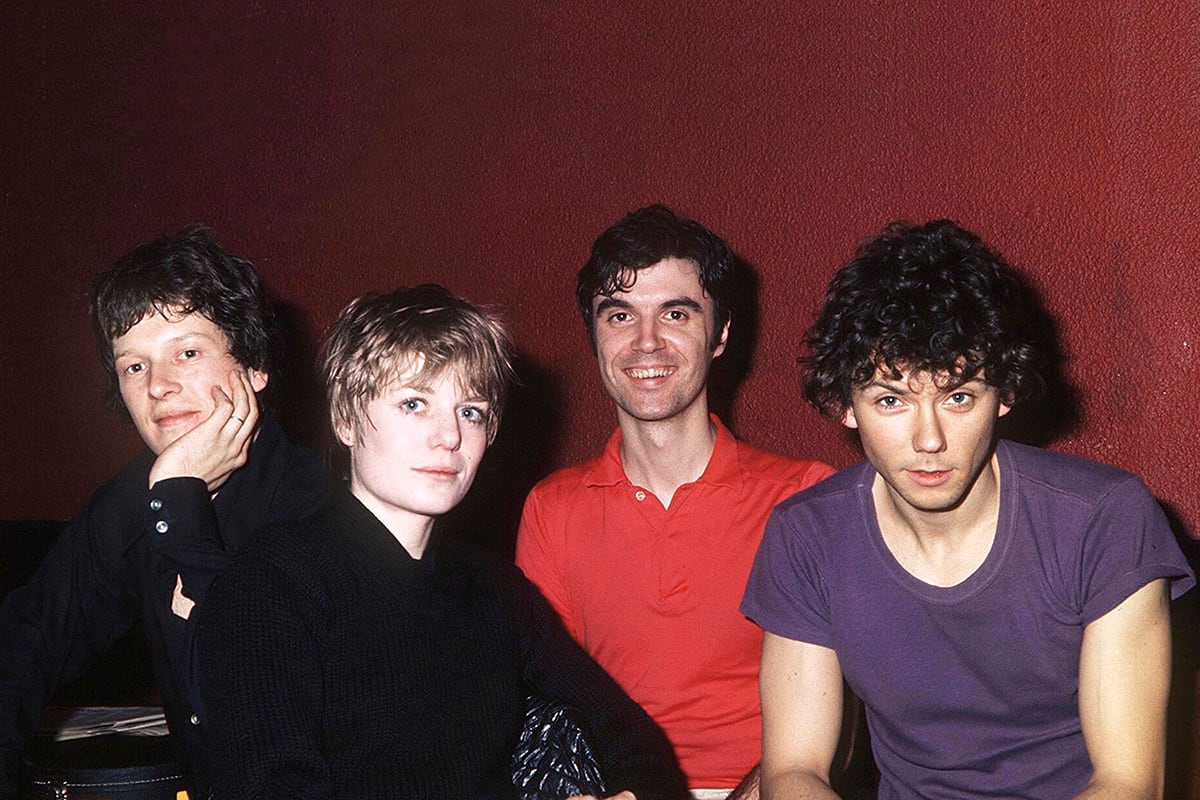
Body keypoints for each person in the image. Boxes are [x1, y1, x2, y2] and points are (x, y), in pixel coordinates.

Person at [741, 219, 1196, 799]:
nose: (929, 439)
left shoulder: (1102, 518)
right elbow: (794, 770)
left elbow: (1129, 784)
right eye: (891, 400)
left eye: (957, 397)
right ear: (845, 405)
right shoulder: (808, 534)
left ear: (1003, 394)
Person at [196, 284, 690, 800]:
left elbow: (636, 742)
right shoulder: (270, 583)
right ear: (345, 419)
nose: (450, 436)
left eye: (470, 412)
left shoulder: (494, 588)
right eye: (414, 404)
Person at [516, 205, 834, 799]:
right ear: (594, 335)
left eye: (676, 313)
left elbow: (856, 706)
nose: (646, 342)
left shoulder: (802, 497)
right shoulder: (551, 510)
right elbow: (545, 702)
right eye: (620, 315)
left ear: (721, 333)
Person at [0, 227, 330, 798]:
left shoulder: (321, 505)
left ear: (255, 367)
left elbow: (251, 704)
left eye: (188, 353)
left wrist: (180, 498)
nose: (157, 386)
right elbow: (26, 641)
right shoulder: (132, 499)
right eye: (134, 366)